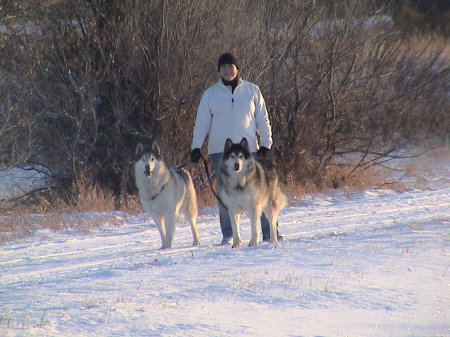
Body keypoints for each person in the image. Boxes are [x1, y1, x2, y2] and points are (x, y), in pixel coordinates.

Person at [190, 52, 282, 244]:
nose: (227, 70)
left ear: (237, 69)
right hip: (220, 152)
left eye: (230, 66)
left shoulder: (252, 91)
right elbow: (202, 123)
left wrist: (266, 143)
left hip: (248, 152)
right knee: (226, 194)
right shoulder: (211, 94)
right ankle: (230, 235)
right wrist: (196, 147)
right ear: (219, 71)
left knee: (258, 192)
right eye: (223, 67)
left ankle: (268, 232)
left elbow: (262, 119)